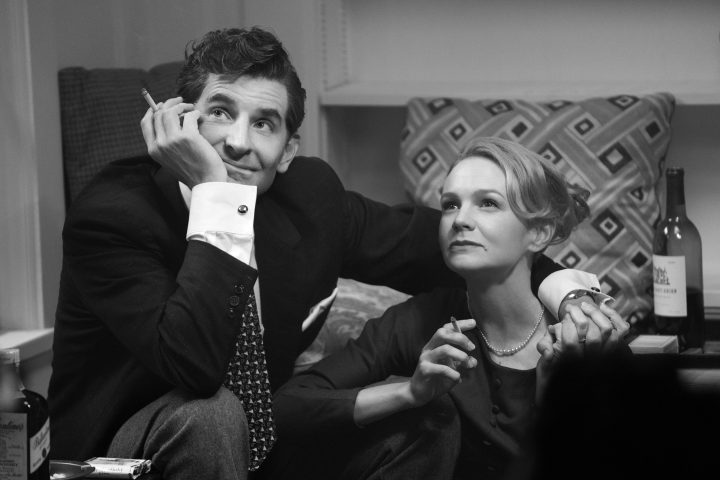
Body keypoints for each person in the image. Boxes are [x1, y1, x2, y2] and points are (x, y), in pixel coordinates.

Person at [49, 27, 616, 480]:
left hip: (264, 446)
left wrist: (563, 290)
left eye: (264, 123)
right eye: (220, 112)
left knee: (427, 424)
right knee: (213, 412)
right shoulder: (114, 214)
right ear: (179, 119)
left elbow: (458, 244)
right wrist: (214, 195)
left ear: (289, 149)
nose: (240, 141)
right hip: (125, 456)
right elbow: (194, 369)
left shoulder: (309, 198)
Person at [268, 137, 630, 480]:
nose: (460, 220)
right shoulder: (422, 320)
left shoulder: (588, 336)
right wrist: (409, 393)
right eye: (450, 204)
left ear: (539, 233)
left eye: (488, 203)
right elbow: (287, 407)